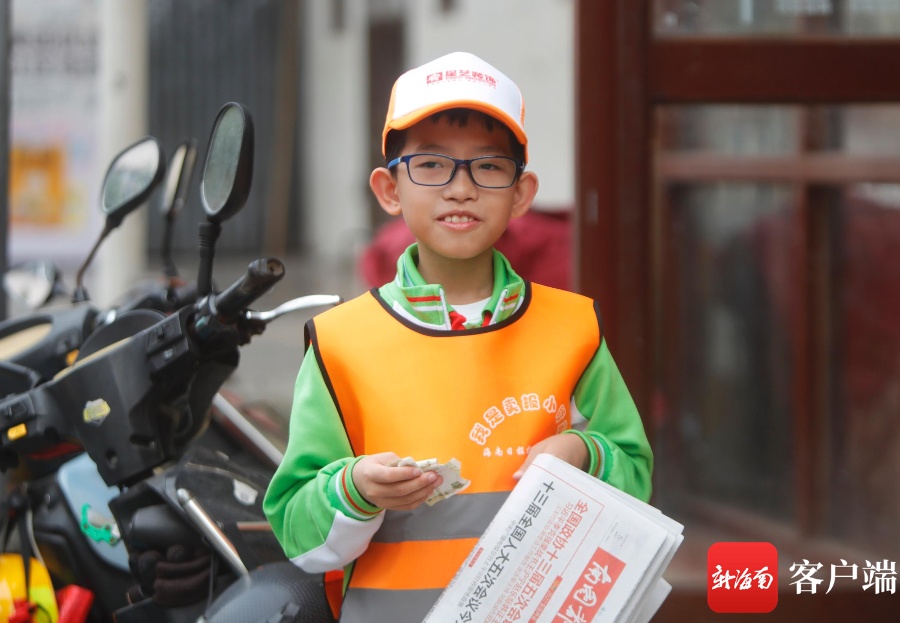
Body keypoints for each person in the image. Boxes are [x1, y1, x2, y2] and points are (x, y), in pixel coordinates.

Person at [263, 51, 653, 623]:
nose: (461, 188)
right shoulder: (340, 341)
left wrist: (584, 453)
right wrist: (354, 489)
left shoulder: (573, 328)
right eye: (431, 164)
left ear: (521, 193)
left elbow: (635, 478)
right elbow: (298, 535)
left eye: (489, 167)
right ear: (389, 189)